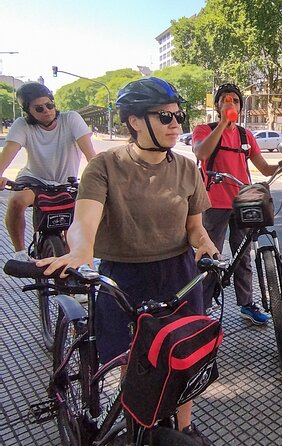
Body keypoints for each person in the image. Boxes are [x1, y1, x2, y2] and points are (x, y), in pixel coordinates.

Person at [38, 77, 219, 445]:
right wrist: (81, 253)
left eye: (178, 116)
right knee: (130, 362)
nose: (175, 125)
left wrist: (207, 247)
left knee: (187, 357)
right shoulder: (105, 166)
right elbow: (84, 223)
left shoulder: (187, 168)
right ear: (135, 121)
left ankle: (184, 425)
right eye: (165, 116)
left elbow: (195, 229)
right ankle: (137, 421)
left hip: (180, 274)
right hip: (122, 277)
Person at [192, 83, 282, 325]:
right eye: (226, 100)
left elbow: (263, 167)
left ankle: (246, 304)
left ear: (241, 107)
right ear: (218, 105)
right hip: (214, 203)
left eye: (235, 100)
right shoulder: (204, 129)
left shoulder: (246, 136)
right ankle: (204, 307)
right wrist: (223, 123)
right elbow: (201, 153)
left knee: (243, 255)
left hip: (244, 201)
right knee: (211, 256)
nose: (231, 103)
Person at [0, 83, 96, 261]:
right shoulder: (22, 125)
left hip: (66, 182)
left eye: (50, 105)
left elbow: (91, 155)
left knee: (73, 236)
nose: (47, 110)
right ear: (28, 111)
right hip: (33, 179)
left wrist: (100, 177)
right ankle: (20, 254)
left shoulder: (71, 119)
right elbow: (9, 152)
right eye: (39, 108)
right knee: (17, 201)